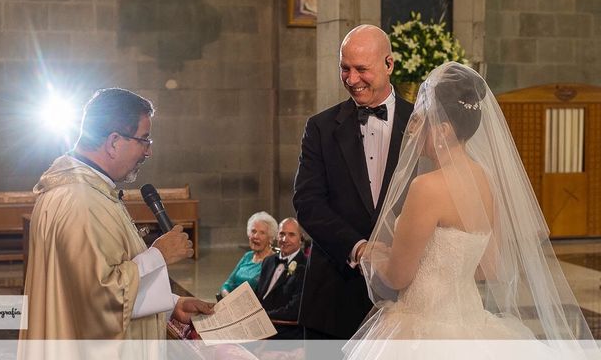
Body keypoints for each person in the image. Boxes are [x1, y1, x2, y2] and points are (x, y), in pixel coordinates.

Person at [344, 63, 599, 359]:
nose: (412, 127)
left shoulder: (426, 187)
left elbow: (398, 278)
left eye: (420, 119)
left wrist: (371, 254)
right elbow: (487, 267)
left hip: (422, 329)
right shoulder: (485, 179)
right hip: (472, 322)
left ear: (443, 130)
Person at [21, 88, 213, 340]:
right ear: (113, 142)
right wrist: (159, 255)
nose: (148, 152)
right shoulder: (80, 202)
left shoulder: (84, 192)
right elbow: (97, 300)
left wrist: (170, 304)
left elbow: (87, 286)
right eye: (144, 140)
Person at [293, 24, 414, 340]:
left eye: (362, 69)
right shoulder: (320, 127)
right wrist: (358, 248)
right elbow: (307, 202)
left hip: (405, 300)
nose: (351, 79)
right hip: (334, 295)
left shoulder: (422, 124)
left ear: (389, 64)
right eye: (344, 68)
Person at [256, 217, 307, 340]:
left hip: (283, 329)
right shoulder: (268, 261)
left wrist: (263, 316)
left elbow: (294, 310)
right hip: (259, 324)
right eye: (282, 234)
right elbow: (259, 295)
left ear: (301, 238)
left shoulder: (305, 267)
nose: (285, 239)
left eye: (291, 235)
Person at [219, 211, 278, 297]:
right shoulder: (248, 256)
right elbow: (227, 284)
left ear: (270, 238)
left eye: (262, 233)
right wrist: (228, 298)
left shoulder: (273, 260)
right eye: (253, 231)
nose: (256, 236)